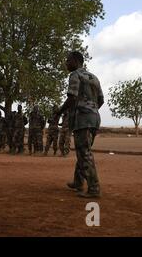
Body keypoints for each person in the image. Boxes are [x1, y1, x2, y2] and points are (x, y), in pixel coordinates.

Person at [57, 51, 104, 198]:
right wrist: (91, 109)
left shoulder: (75, 75)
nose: (66, 64)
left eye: (68, 61)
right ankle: (78, 182)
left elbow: (72, 98)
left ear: (76, 61)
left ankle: (94, 188)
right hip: (94, 118)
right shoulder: (94, 77)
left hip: (82, 119)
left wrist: (58, 112)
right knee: (83, 151)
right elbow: (101, 100)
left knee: (84, 153)